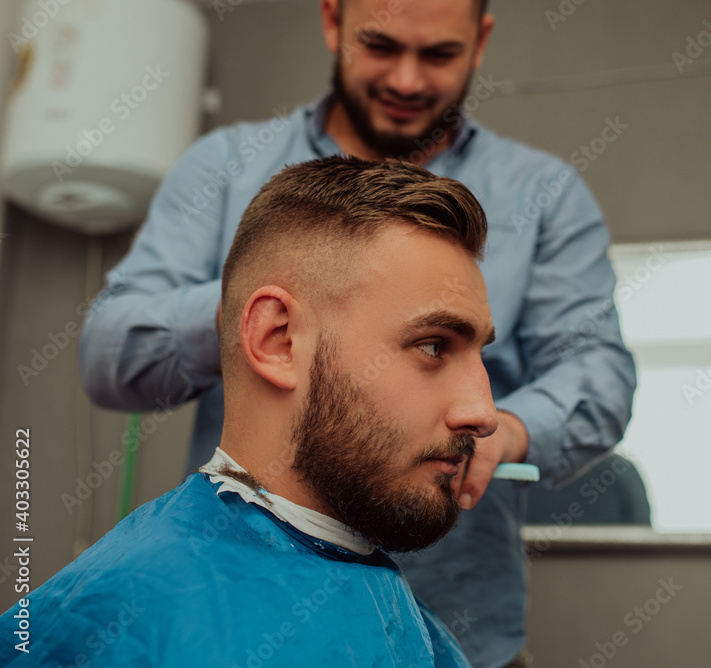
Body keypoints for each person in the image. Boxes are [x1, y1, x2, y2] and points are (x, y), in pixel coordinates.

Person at [78, 1, 637, 666]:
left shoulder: (543, 193)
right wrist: (291, 288)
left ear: (481, 41)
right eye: (380, 46)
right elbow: (111, 352)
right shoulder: (226, 166)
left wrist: (514, 430)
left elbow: (598, 373)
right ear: (332, 22)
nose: (406, 80)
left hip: (469, 629)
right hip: (245, 615)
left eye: (438, 55)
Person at [2, 156, 496, 666]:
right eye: (434, 346)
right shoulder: (133, 623)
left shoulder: (403, 616)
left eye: (481, 355)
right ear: (278, 341)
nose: (485, 413)